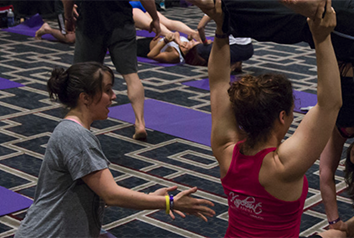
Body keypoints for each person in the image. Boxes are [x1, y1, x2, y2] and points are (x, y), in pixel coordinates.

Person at [191, 0, 354, 236]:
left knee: (336, 234)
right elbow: (330, 104)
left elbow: (218, 82)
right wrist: (321, 37)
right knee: (339, 235)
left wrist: (223, 29)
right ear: (282, 117)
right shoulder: (283, 166)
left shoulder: (226, 150)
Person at [14, 62, 215, 238]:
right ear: (85, 97)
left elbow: (100, 193)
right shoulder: (75, 136)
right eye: (107, 90)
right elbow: (111, 195)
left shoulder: (73, 131)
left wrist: (153, 197)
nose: (113, 96)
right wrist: (168, 202)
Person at [63, 0, 158, 140]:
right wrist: (154, 17)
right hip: (121, 22)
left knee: (81, 78)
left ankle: (78, 123)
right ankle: (140, 123)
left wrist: (68, 16)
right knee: (131, 76)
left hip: (90, 23)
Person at [131, 2, 201, 39]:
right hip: (141, 3)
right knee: (168, 22)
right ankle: (193, 33)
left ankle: (172, 36)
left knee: (150, 24)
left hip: (129, 7)